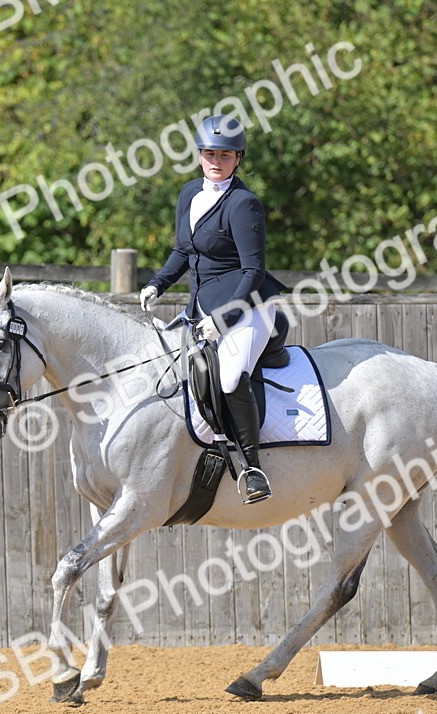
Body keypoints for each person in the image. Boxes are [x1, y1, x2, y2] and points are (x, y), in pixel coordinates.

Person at [139, 114, 288, 504]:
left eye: (224, 154)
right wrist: (158, 282)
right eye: (208, 153)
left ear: (238, 158)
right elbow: (183, 251)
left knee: (227, 376)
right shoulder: (189, 193)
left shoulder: (244, 204)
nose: (215, 161)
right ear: (199, 155)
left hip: (249, 306)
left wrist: (225, 320)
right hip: (202, 308)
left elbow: (252, 271)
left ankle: (252, 467)